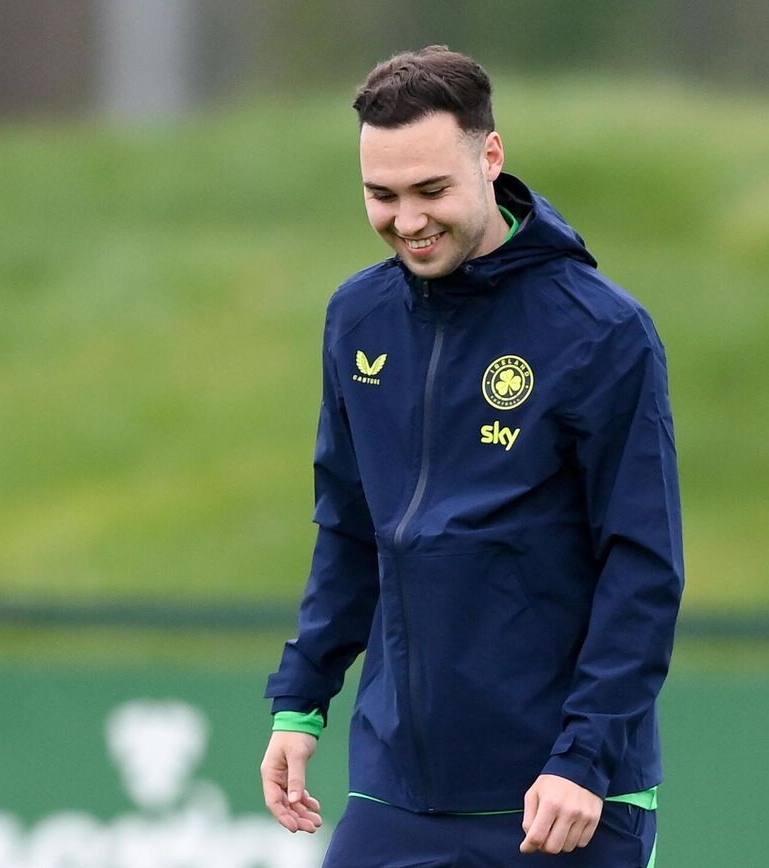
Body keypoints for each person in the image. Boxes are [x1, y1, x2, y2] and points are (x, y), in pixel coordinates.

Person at [261, 45, 683, 868]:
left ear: (491, 158)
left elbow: (642, 567)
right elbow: (350, 527)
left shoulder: (602, 332)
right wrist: (300, 701)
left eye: (431, 191)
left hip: (563, 798)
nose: (406, 220)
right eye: (381, 196)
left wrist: (584, 759)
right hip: (398, 791)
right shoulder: (358, 319)